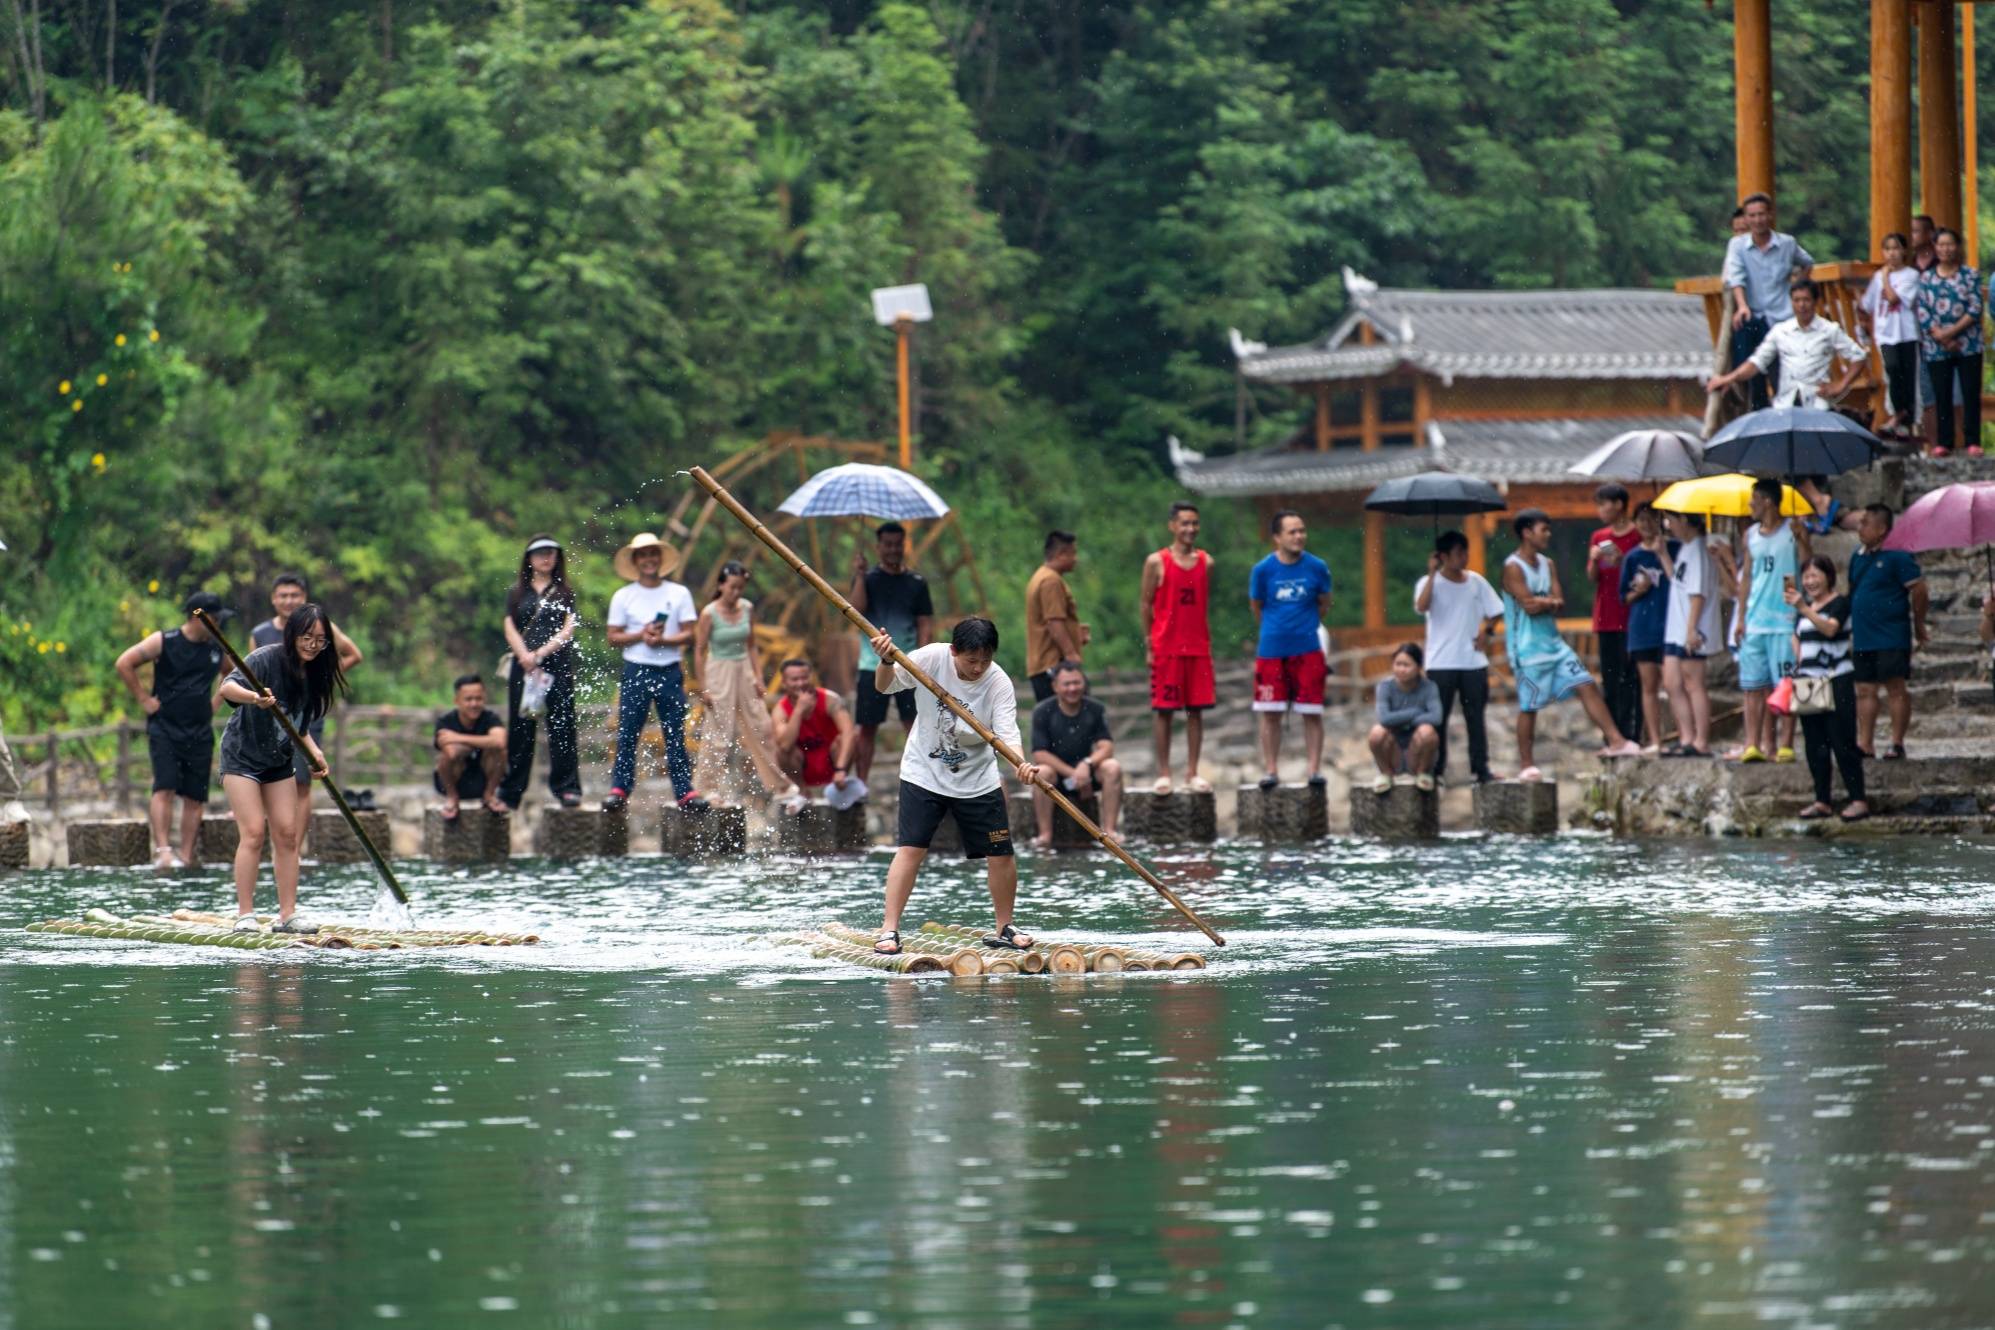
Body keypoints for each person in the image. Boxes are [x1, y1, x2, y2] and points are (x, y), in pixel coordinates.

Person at [866, 618, 1042, 957]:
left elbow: (1008, 732)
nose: (978, 668)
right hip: (924, 772)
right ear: (953, 651)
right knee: (911, 849)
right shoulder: (931, 658)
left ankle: (1005, 926)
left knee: (1001, 853)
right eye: (970, 660)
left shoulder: (998, 683)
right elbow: (884, 687)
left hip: (978, 779)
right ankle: (889, 928)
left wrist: (1020, 763)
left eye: (984, 661)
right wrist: (886, 660)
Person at [217, 604, 343, 933]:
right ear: (292, 634)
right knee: (255, 832)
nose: (313, 645)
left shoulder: (316, 672)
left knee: (287, 834)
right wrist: (253, 697)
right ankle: (245, 914)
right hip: (241, 755)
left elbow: (299, 726)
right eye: (307, 637)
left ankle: (288, 914)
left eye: (320, 640)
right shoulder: (266, 658)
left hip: (279, 759)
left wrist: (315, 753)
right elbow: (226, 688)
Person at [1500, 509, 1643, 779]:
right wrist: (1545, 602)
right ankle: (1527, 763)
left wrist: (1543, 603)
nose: (1548, 534)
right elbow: (1529, 606)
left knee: (1586, 684)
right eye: (1544, 529)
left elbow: (1559, 603)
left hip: (1554, 644)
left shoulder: (1548, 563)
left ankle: (1616, 740)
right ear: (1527, 532)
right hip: (1527, 648)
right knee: (1529, 704)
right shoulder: (1512, 567)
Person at [113, 592, 229, 871]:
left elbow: (231, 673)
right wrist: (143, 698)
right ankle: (163, 850)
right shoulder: (164, 641)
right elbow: (124, 662)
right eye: (215, 619)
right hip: (165, 726)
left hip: (200, 729)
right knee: (164, 786)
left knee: (195, 795)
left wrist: (214, 703)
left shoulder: (217, 648)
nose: (219, 624)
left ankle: (186, 855)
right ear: (197, 616)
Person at [602, 533, 708, 814]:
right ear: (635, 561)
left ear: (660, 560)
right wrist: (641, 634)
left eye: (653, 554)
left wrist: (663, 641)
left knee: (675, 733)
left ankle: (684, 791)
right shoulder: (624, 596)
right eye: (643, 555)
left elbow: (690, 634)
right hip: (636, 668)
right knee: (628, 732)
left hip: (670, 670)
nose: (649, 560)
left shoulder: (679, 593)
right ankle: (620, 789)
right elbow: (613, 637)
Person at [250, 573, 363, 826]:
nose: (289, 601)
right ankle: (277, 840)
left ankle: (296, 848)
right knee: (269, 777)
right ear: (273, 599)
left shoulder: (323, 627)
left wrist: (317, 680)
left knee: (301, 781)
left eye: (295, 596)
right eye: (283, 595)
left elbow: (354, 654)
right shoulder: (260, 633)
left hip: (305, 713)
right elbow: (252, 677)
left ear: (305, 598)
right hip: (271, 715)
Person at [692, 562, 796, 810]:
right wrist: (703, 686)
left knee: (762, 726)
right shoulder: (710, 613)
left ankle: (779, 785)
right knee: (719, 732)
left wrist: (759, 677)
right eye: (732, 587)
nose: (736, 592)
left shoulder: (746, 608)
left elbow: (751, 645)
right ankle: (706, 788)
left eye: (740, 588)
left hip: (744, 669)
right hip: (719, 669)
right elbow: (698, 650)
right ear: (721, 585)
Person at [1250, 510, 1333, 789]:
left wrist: (1305, 625)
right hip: (1271, 649)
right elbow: (1257, 607)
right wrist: (1277, 629)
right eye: (1292, 532)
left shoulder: (1317, 567)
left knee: (1311, 711)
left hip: (1308, 648)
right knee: (1270, 711)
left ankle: (1313, 770)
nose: (1299, 536)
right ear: (1277, 537)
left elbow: (1324, 602)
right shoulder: (1262, 570)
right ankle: (1271, 770)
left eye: (1302, 531)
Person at [497, 535, 581, 809]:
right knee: (521, 728)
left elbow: (568, 629)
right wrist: (524, 655)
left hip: (556, 666)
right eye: (540, 553)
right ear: (529, 559)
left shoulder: (565, 593)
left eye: (551, 553)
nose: (546, 557)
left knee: (562, 727)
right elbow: (509, 625)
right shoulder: (517, 593)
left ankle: (566, 787)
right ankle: (511, 791)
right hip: (524, 669)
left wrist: (541, 654)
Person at [847, 522, 934, 785]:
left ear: (904, 545)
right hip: (871, 664)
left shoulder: (916, 583)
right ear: (878, 547)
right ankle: (861, 783)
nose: (893, 550)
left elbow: (924, 623)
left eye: (898, 544)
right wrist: (860, 575)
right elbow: (855, 611)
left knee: (913, 723)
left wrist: (922, 656)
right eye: (888, 544)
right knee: (867, 727)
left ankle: (920, 779)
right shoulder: (868, 579)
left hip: (908, 663)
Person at [1413, 530, 1503, 783]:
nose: (1464, 557)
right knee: (1437, 718)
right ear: (1443, 556)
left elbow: (1496, 610)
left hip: (1472, 660)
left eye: (1465, 552)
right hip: (1441, 661)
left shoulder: (1476, 581)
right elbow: (1422, 606)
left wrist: (1486, 631)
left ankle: (1480, 768)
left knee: (1475, 717)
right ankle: (1435, 769)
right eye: (1458, 553)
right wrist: (1432, 573)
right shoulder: (1427, 583)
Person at [1140, 501, 1215, 794]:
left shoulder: (1206, 562)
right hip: (1166, 646)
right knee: (1164, 711)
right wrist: (1150, 644)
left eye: (1195, 523)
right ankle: (1164, 773)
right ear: (1172, 526)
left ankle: (1193, 772)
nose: (1190, 529)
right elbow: (1145, 604)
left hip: (1198, 646)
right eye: (1184, 523)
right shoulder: (1156, 561)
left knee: (1196, 711)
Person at [1786, 557, 1868, 821]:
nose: (1810, 582)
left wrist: (1804, 609)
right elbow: (1798, 639)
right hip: (1808, 681)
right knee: (1814, 744)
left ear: (1829, 576)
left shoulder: (1840, 603)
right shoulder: (1805, 608)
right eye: (1806, 577)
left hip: (1836, 678)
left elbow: (1830, 630)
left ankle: (1858, 798)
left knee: (1842, 740)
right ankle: (1822, 800)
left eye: (1815, 576)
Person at [1735, 478, 1812, 763]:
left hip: (1784, 619)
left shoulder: (1792, 531)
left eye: (1753, 499)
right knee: (1752, 687)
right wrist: (1741, 618)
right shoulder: (1751, 535)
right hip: (1756, 620)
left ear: (1767, 500)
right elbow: (1746, 580)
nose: (1750, 505)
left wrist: (1803, 539)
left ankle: (1785, 744)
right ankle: (1752, 743)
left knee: (1787, 684)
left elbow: (1807, 566)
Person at [1707, 278, 1865, 409]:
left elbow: (1859, 356)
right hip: (1786, 403)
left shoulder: (1829, 330)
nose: (1801, 305)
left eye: (1806, 300)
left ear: (1816, 301)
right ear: (1791, 302)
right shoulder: (1781, 331)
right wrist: (1728, 379)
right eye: (1797, 300)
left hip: (1816, 402)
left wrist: (1841, 384)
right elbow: (1757, 362)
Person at [1722, 192, 1816, 410]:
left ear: (1770, 215)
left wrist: (1797, 286)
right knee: (1752, 368)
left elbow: (1807, 262)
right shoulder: (1737, 245)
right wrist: (1742, 305)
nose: (1757, 220)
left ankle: (1787, 414)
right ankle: (1755, 407)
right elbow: (1737, 276)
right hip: (1754, 314)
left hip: (1781, 316)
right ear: (1746, 218)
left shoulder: (1787, 244)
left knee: (1781, 373)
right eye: (1752, 216)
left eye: (1761, 214)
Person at [1849, 504, 1929, 759]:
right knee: (1864, 689)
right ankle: (1865, 742)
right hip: (1863, 636)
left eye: (1866, 523)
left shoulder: (1898, 555)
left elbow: (1919, 589)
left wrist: (1918, 623)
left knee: (1895, 687)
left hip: (1891, 634)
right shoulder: (1857, 557)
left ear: (1882, 529)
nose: (1860, 528)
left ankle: (1897, 742)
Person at [1029, 660, 1122, 847]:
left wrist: (1086, 764)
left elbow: (1107, 747)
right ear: (1055, 686)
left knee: (1112, 767)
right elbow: (1039, 754)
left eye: (1077, 683)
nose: (1072, 688)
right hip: (1058, 778)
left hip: (1088, 774)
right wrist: (1074, 774)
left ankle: (1110, 830)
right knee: (1041, 771)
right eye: (1067, 684)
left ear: (1084, 684)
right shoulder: (1042, 711)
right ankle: (1045, 834)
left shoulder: (1095, 709)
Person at [1912, 227, 1985, 458]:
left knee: (1970, 392)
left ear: (1958, 246)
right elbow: (1923, 310)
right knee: (1941, 394)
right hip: (1936, 346)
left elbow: (1975, 307)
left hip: (1968, 343)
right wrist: (1941, 336)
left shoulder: (1970, 275)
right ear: (1935, 247)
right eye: (1941, 244)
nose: (1945, 249)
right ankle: (1945, 442)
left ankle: (1972, 440)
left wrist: (1952, 332)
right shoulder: (1926, 278)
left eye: (1950, 244)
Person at [1585, 483, 1643, 743]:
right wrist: (1596, 559)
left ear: (1619, 504)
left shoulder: (1638, 536)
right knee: (1610, 678)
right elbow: (1591, 577)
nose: (1600, 510)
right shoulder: (1599, 537)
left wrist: (1624, 560)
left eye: (1603, 504)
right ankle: (1614, 735)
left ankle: (1635, 732)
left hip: (1632, 614)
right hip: (1606, 615)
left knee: (1633, 678)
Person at [1660, 509, 1720, 757]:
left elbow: (1698, 594)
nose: (1668, 524)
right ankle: (1686, 736)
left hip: (1692, 627)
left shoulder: (1698, 550)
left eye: (1671, 519)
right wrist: (1662, 554)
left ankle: (1701, 740)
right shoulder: (1685, 548)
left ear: (1684, 520)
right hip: (1676, 627)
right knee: (1672, 682)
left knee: (1693, 683)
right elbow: (1678, 580)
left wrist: (1691, 629)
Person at [1617, 504, 1671, 752]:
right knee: (1648, 685)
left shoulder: (1674, 549)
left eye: (1651, 519)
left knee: (1672, 684)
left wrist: (1663, 555)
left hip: (1670, 625)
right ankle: (1655, 740)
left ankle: (1681, 735)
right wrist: (1639, 591)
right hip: (1642, 628)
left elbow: (1680, 583)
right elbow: (1623, 598)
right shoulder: (1632, 557)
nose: (1646, 524)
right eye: (1641, 520)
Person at [1858, 232, 1923, 438]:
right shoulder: (1878, 277)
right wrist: (1864, 324)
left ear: (1904, 251)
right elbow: (1866, 304)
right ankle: (1899, 414)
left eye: (1896, 248)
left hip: (1906, 333)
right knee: (1893, 371)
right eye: (1888, 249)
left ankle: (1906, 419)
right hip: (1886, 334)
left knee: (1908, 376)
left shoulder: (1911, 275)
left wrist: (1886, 277)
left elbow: (1894, 298)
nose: (1892, 253)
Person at [771, 659, 858, 803]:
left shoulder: (830, 699)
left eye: (804, 678)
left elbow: (849, 732)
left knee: (851, 737)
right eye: (794, 679)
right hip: (803, 767)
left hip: (833, 764)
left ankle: (838, 787)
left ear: (811, 677)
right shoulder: (780, 710)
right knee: (780, 750)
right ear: (784, 682)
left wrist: (840, 769)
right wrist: (799, 709)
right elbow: (785, 745)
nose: (800, 683)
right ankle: (801, 791)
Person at [1367, 643, 1442, 794]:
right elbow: (1384, 718)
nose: (1401, 669)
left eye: (1407, 665)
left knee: (1427, 731)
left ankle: (1422, 773)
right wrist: (1415, 712)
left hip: (1417, 749)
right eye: (1398, 664)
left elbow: (1436, 717)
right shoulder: (1385, 686)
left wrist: (1401, 721)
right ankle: (1385, 773)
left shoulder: (1429, 687)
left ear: (1418, 667)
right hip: (1392, 748)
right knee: (1376, 733)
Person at [433, 675, 507, 820]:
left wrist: (458, 738)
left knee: (501, 752)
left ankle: (489, 796)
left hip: (484, 779)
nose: (474, 704)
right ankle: (452, 798)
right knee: (446, 757)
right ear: (457, 701)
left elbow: (500, 742)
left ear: (484, 699)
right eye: (468, 699)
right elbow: (451, 752)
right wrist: (484, 743)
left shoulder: (491, 718)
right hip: (454, 780)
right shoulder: (445, 721)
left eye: (478, 699)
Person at [1024, 530, 1084, 702]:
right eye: (1073, 553)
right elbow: (1054, 622)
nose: (1076, 558)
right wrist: (1071, 654)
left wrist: (1076, 635)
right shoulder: (1051, 581)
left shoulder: (1040, 576)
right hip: (1055, 667)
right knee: (1069, 722)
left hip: (1042, 665)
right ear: (1061, 554)